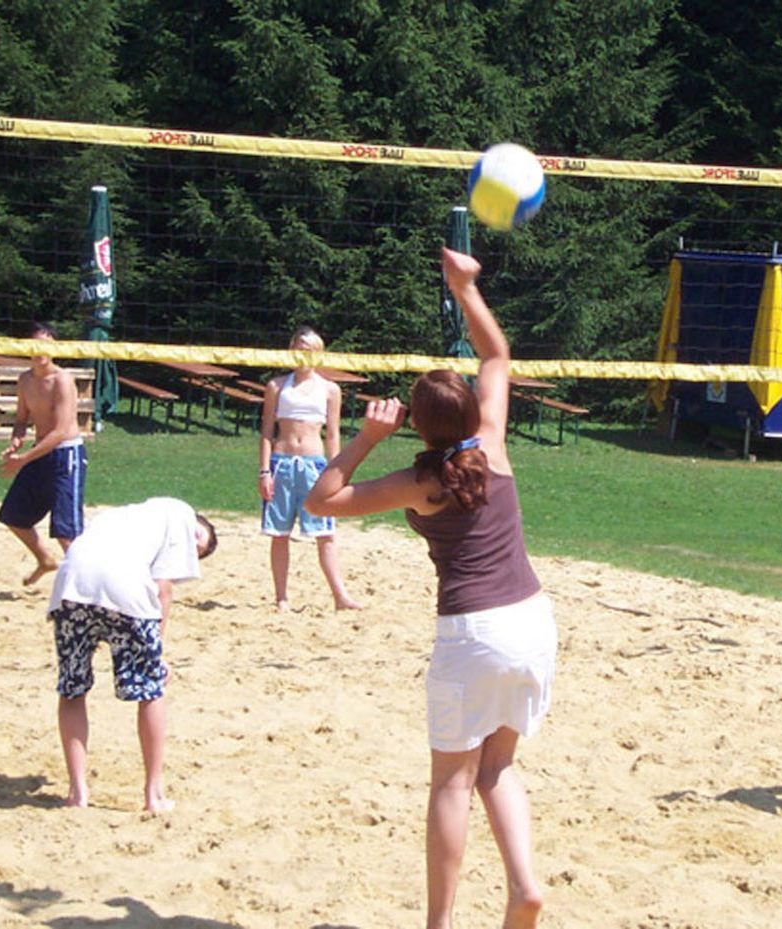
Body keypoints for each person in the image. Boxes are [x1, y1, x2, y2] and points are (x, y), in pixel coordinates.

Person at [307, 249, 556, 929]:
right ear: (473, 412)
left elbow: (321, 501)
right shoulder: (494, 445)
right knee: (497, 766)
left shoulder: (418, 481)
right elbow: (498, 355)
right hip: (534, 621)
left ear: (418, 424)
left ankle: (439, 925)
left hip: (472, 633)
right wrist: (466, 288)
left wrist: (363, 436)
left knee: (451, 779)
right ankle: (524, 884)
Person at [48, 497, 218, 812]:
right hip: (122, 586)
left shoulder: (127, 514)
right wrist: (159, 653)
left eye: (199, 551)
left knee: (72, 688)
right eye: (198, 537)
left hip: (71, 583)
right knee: (151, 690)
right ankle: (154, 795)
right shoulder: (179, 513)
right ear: (197, 520)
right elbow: (162, 589)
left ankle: (77, 792)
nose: (193, 546)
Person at [258, 326, 361, 612]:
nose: (302, 354)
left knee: (325, 533)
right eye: (298, 348)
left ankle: (340, 597)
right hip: (282, 463)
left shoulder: (330, 389)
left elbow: (333, 435)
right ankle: (281, 598)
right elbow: (267, 431)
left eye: (308, 349)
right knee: (280, 534)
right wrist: (264, 471)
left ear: (318, 352)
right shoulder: (277, 386)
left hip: (314, 465)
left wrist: (338, 472)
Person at [0, 322, 87, 586]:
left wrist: (23, 460)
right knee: (13, 516)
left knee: (66, 531)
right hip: (39, 454)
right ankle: (45, 560)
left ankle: (85, 583)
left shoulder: (62, 380)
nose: (40, 351)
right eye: (35, 345)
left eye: (46, 345)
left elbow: (60, 431)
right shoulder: (25, 380)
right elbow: (22, 419)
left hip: (65, 455)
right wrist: (16, 440)